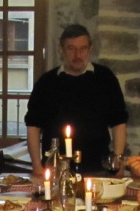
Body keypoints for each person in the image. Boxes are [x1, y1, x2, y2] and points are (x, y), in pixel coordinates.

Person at [25, 24, 128, 177]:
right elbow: (33, 126)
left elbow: (119, 121)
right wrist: (36, 164)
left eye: (83, 48)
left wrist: (118, 159)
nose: (77, 55)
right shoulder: (47, 83)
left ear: (90, 49)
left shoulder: (105, 78)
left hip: (98, 169)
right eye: (71, 49)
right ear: (61, 50)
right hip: (56, 170)